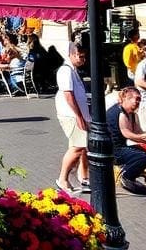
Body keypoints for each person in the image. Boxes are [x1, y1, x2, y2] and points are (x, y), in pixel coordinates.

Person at [54, 43, 90, 195]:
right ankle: (62, 179)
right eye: (80, 56)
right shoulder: (65, 71)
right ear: (72, 55)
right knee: (77, 147)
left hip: (78, 114)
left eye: (84, 57)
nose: (83, 60)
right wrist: (79, 116)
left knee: (82, 147)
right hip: (70, 115)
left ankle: (83, 177)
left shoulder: (73, 70)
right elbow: (68, 95)